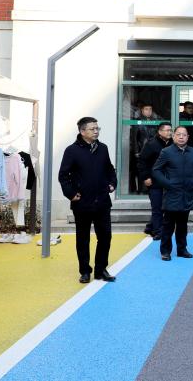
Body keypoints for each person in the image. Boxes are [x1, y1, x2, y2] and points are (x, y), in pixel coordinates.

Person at [58, 117, 117, 284]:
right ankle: (84, 271)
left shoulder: (103, 148)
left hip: (102, 201)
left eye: (97, 128)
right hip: (82, 203)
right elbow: (63, 176)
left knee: (105, 237)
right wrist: (71, 193)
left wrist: (112, 183)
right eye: (92, 129)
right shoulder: (72, 150)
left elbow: (110, 169)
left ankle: (101, 269)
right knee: (83, 239)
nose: (96, 131)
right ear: (82, 131)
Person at [151, 126, 193, 261]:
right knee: (168, 225)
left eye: (184, 135)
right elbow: (156, 170)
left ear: (188, 137)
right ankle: (165, 251)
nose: (181, 137)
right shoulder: (166, 152)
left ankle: (182, 249)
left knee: (182, 224)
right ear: (174, 136)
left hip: (187, 193)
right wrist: (167, 184)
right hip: (172, 193)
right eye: (178, 134)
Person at [138, 122, 172, 240]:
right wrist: (146, 177)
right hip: (154, 181)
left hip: (168, 181)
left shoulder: (173, 144)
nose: (169, 132)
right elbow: (142, 162)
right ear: (160, 132)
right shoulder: (151, 144)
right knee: (157, 207)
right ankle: (158, 231)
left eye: (171, 130)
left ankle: (150, 227)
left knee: (165, 207)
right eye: (167, 130)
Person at [131, 103, 159, 194]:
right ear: (142, 111)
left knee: (153, 168)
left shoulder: (155, 121)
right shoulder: (138, 121)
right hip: (142, 149)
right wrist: (136, 151)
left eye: (150, 109)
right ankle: (141, 190)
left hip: (153, 149)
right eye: (146, 109)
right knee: (141, 170)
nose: (148, 111)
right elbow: (134, 137)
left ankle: (151, 189)